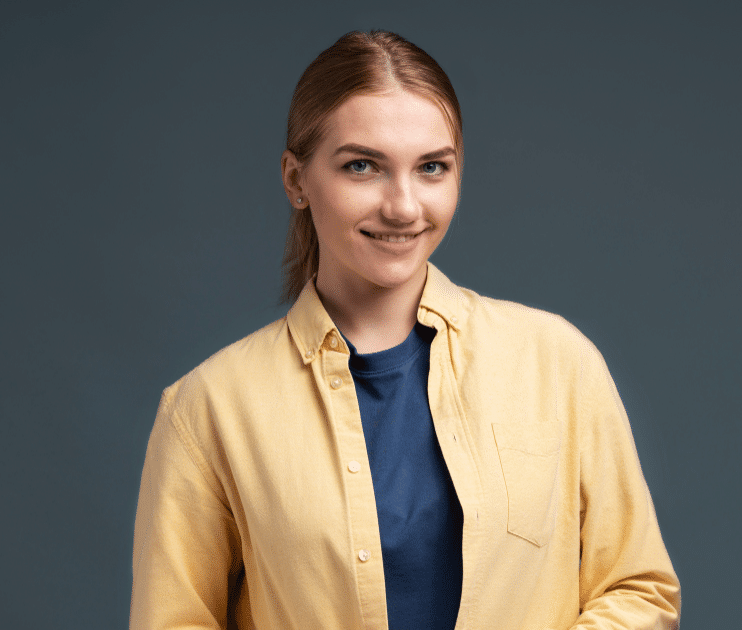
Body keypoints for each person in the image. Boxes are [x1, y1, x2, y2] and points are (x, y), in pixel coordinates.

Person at [130, 30, 680, 629]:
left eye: (431, 168)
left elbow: (638, 590)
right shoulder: (208, 409)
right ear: (295, 180)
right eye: (362, 166)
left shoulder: (558, 363)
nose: (404, 207)